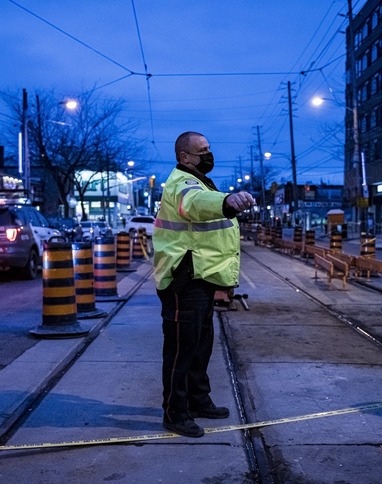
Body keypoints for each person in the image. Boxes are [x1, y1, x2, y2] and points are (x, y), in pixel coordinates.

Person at [153, 131, 255, 438]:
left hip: (201, 277)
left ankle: (198, 400)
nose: (209, 154)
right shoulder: (182, 184)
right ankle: (176, 413)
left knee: (200, 345)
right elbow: (194, 204)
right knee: (181, 350)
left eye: (209, 148)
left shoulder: (198, 181)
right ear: (185, 157)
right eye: (203, 150)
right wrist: (227, 201)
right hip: (184, 280)